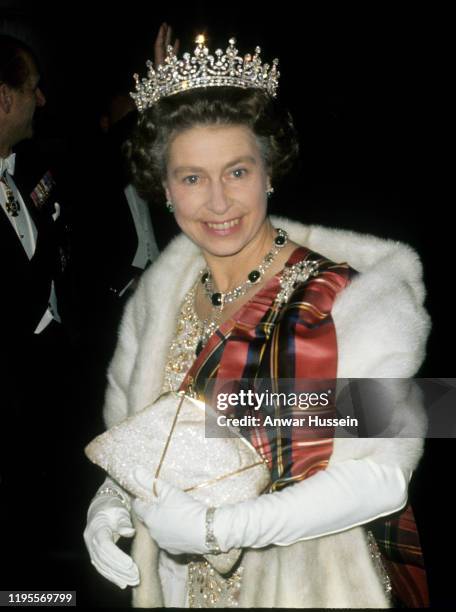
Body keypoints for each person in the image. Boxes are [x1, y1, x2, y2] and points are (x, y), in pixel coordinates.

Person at [83, 33, 431, 608]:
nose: (218, 202)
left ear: (269, 172)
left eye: (237, 172)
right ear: (164, 189)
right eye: (192, 177)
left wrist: (223, 529)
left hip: (306, 584)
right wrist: (109, 506)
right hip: (178, 587)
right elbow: (148, 443)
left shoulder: (348, 296)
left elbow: (387, 474)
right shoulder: (157, 300)